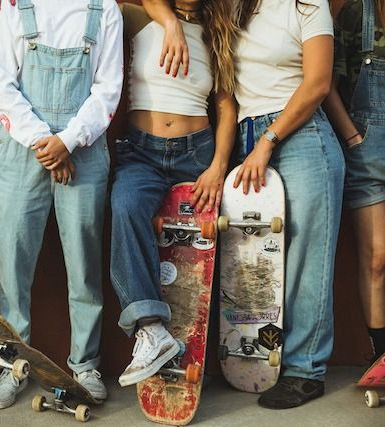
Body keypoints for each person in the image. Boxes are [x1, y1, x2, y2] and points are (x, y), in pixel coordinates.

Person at [144, 0, 345, 410]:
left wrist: (267, 142)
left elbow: (319, 82)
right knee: (251, 262)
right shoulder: (231, 7)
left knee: (308, 252)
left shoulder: (306, 4)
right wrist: (170, 24)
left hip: (301, 136)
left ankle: (305, 370)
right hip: (246, 136)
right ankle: (252, 359)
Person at [0, 0, 123, 409]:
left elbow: (107, 87)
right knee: (13, 259)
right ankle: (12, 362)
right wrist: (43, 142)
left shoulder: (105, 10)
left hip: (83, 149)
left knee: (83, 261)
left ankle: (85, 364)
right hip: (20, 149)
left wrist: (69, 141)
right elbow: (0, 81)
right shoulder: (12, 6)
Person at [110, 0, 237, 386]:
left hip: (196, 152)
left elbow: (226, 105)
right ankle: (151, 330)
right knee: (125, 205)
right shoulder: (139, 16)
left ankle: (205, 351)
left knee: (205, 246)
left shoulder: (218, 31)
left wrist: (217, 167)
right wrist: (169, 23)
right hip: (140, 152)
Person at [323, 0, 385, 364]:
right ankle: (381, 359)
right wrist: (352, 138)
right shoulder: (356, 14)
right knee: (377, 259)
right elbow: (326, 86)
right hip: (369, 155)